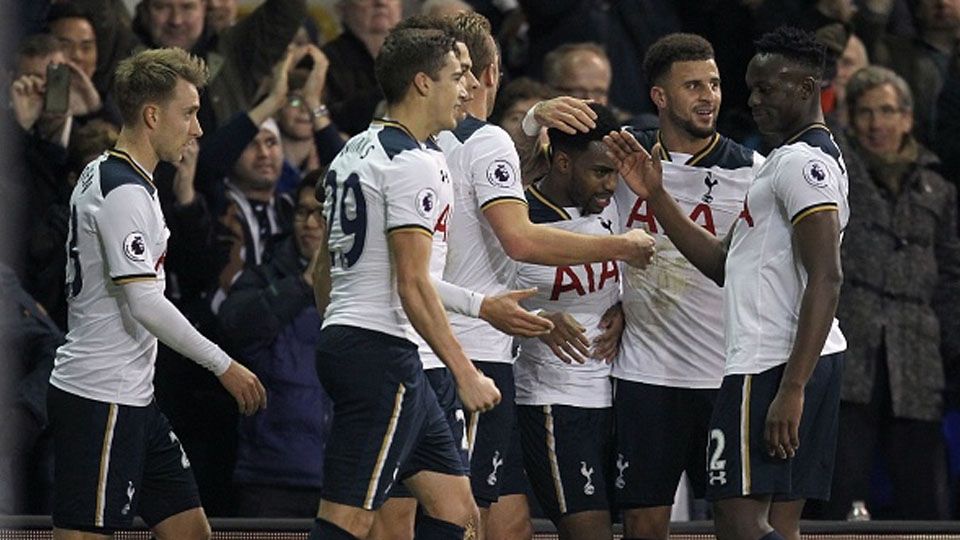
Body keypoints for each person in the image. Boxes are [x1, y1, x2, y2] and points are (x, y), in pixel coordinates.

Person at [604, 26, 848, 540]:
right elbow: (721, 262)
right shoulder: (789, 162)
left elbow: (827, 276)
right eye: (750, 87)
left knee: (739, 522)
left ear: (805, 90)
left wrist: (793, 388)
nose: (749, 100)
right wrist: (657, 197)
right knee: (745, 520)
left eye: (766, 89)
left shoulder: (800, 164)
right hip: (773, 361)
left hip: (772, 362)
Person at [434, 12, 656, 540]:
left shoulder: (415, 147)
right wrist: (619, 248)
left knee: (494, 521)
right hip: (492, 364)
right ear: (489, 73)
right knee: (454, 516)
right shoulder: (484, 154)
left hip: (471, 354)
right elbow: (520, 241)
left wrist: (624, 304)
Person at [47, 48, 266, 539]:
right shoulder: (123, 190)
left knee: (191, 531)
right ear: (152, 115)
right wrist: (223, 365)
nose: (198, 128)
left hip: (135, 397)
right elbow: (143, 302)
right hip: (100, 394)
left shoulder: (114, 173)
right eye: (188, 113)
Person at [309, 28, 499, 540]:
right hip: (380, 352)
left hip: (363, 344)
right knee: (348, 517)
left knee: (457, 512)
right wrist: (465, 373)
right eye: (457, 78)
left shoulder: (354, 149)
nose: (467, 89)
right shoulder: (416, 163)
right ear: (421, 83)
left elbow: (322, 269)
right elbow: (413, 283)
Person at [608, 33, 763, 540]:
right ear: (659, 96)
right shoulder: (619, 159)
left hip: (726, 376)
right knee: (642, 522)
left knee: (735, 523)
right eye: (693, 85)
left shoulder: (752, 172)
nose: (709, 96)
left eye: (715, 84)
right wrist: (537, 115)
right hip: (646, 374)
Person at [825, 65, 957, 520]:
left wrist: (953, 349)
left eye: (886, 111)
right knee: (838, 495)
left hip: (918, 357)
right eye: (864, 112)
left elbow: (951, 277)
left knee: (925, 501)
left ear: (907, 118)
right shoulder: (839, 173)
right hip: (850, 354)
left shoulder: (938, 189)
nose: (876, 123)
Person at [513, 102, 623, 540]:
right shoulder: (518, 218)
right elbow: (481, 295)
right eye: (600, 173)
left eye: (614, 173)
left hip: (614, 394)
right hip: (550, 400)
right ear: (562, 162)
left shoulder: (610, 207)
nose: (610, 186)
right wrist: (540, 318)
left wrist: (626, 306)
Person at [219, 174, 334, 518]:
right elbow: (234, 327)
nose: (310, 223)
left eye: (321, 213)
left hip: (343, 479)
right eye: (302, 212)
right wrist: (303, 285)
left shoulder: (366, 286)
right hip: (272, 475)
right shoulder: (264, 277)